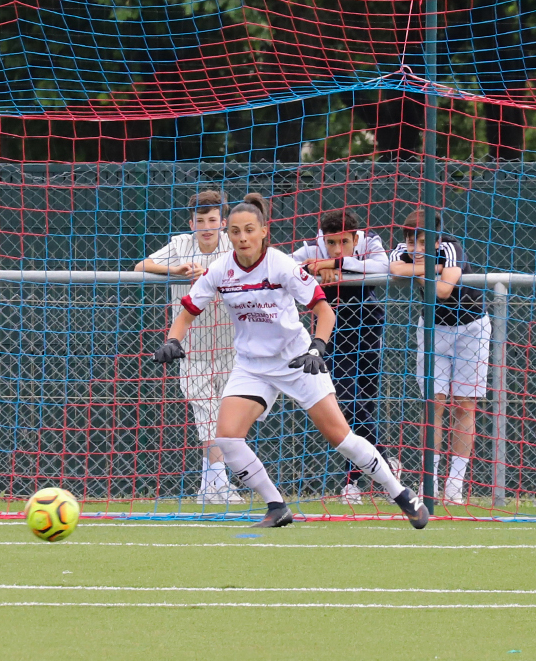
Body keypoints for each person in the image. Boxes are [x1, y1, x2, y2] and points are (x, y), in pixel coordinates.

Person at [154, 194, 430, 529]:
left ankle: (401, 494)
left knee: (341, 437)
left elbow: (324, 311)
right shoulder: (219, 270)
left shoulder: (280, 264)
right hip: (252, 365)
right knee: (227, 437)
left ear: (263, 231)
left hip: (297, 359)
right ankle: (276, 506)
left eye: (250, 230)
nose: (242, 237)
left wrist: (317, 347)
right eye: (237, 231)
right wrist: (172, 340)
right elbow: (187, 312)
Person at [135, 189, 239, 504]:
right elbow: (141, 266)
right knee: (205, 414)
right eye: (200, 221)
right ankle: (218, 482)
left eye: (212, 220)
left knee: (228, 417)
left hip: (232, 347)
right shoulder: (181, 245)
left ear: (222, 222)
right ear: (191, 223)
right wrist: (176, 270)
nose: (206, 227)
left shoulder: (234, 244)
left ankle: (214, 481)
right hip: (191, 347)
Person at [289, 210, 395, 504]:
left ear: (355, 238)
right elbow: (289, 265)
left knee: (366, 404)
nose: (337, 249)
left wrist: (334, 265)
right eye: (331, 244)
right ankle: (384, 464)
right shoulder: (312, 248)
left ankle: (353, 482)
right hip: (333, 330)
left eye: (344, 243)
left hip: (369, 325)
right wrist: (315, 266)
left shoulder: (370, 241)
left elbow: (382, 265)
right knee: (349, 402)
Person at [390, 209, 492, 506]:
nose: (416, 248)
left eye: (423, 241)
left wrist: (424, 271)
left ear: (436, 239)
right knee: (434, 403)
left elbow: (446, 290)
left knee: (464, 405)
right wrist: (430, 270)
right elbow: (395, 269)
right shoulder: (402, 250)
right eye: (411, 241)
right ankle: (429, 482)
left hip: (472, 328)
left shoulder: (451, 247)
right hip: (434, 330)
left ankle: (455, 485)